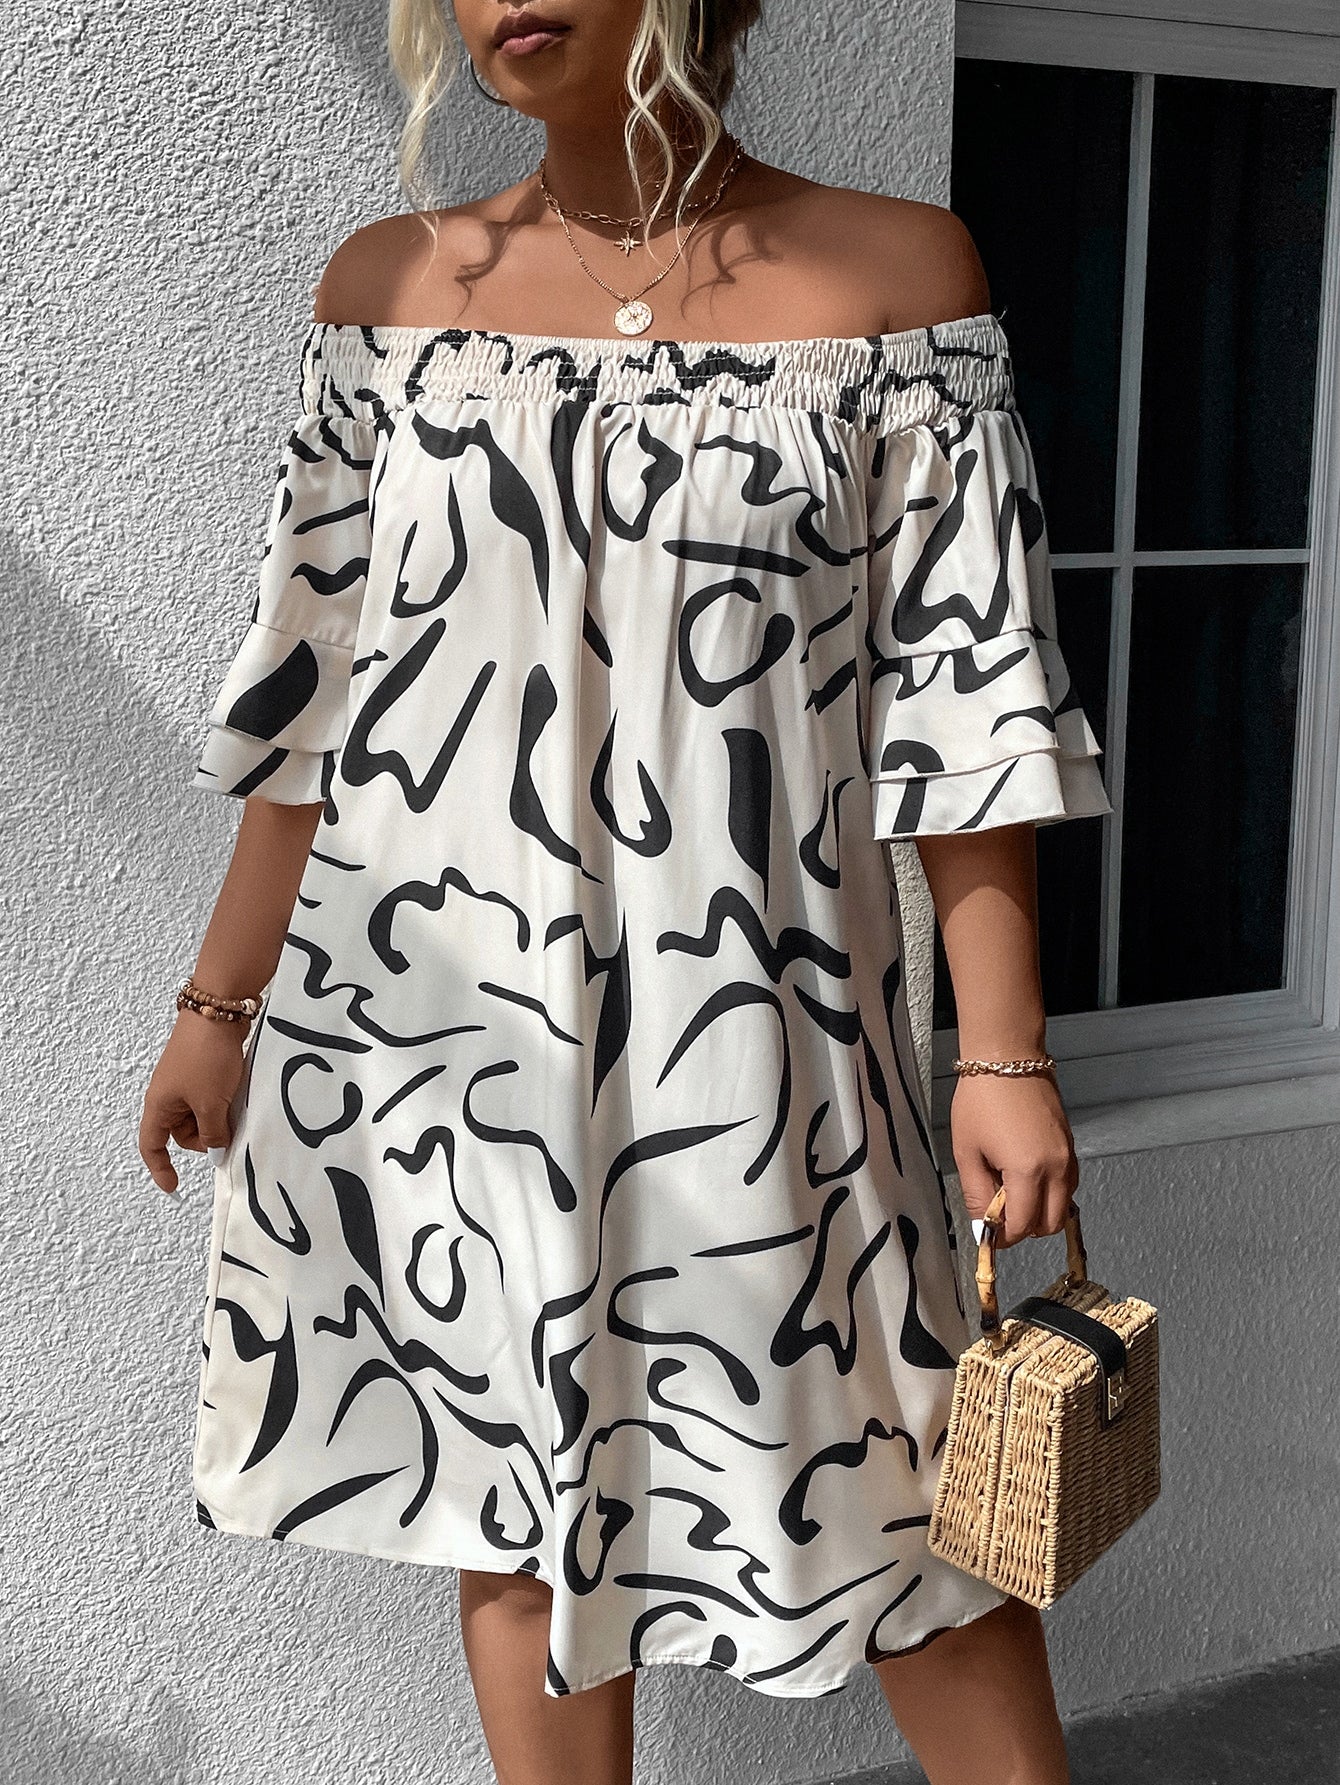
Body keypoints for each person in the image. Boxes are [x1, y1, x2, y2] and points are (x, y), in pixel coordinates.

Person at [139, 3, 1113, 1781]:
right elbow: (313, 701)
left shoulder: (895, 281)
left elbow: (973, 703)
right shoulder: (391, 294)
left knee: (916, 1497)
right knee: (515, 1493)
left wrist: (1003, 1049)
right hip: (441, 1038)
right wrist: (220, 1003)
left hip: (768, 1039)